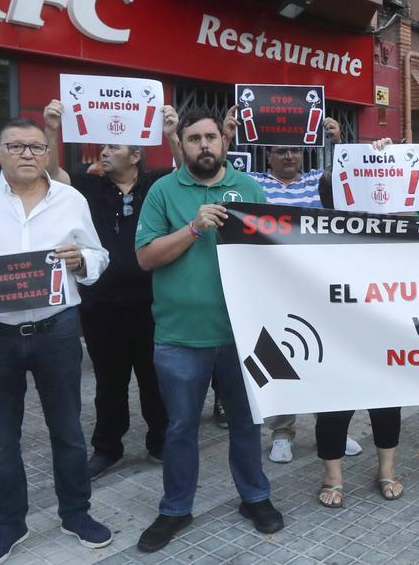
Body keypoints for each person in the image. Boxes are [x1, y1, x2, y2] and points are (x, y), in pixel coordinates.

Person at [0, 118, 113, 564]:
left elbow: (99, 255)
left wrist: (81, 260)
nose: (27, 154)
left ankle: (76, 513)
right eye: (16, 146)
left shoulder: (71, 199)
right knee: (0, 437)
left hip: (58, 329)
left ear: (48, 154)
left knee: (68, 431)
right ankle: (9, 523)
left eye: (35, 147)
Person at [134, 110, 282, 552]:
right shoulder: (162, 190)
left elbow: (275, 249)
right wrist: (194, 228)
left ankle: (254, 497)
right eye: (194, 137)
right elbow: (146, 257)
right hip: (180, 337)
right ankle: (176, 508)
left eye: (211, 137)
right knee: (180, 428)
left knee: (246, 423)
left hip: (241, 335)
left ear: (224, 141)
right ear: (182, 143)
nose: (204, 145)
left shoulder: (250, 188)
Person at [42, 100, 183, 480]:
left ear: (136, 155)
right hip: (101, 304)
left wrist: (172, 134)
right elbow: (51, 176)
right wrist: (52, 130)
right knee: (109, 382)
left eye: (114, 147)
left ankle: (159, 442)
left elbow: (186, 175)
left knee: (155, 379)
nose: (104, 151)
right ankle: (108, 448)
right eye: (103, 146)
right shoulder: (88, 185)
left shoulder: (156, 184)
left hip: (153, 303)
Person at [215, 107, 361, 463]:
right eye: (281, 151)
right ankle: (282, 431)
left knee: (326, 360)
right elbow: (222, 178)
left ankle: (334, 431)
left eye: (295, 150)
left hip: (317, 287)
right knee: (280, 359)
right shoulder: (253, 184)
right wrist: (227, 137)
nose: (289, 156)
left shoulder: (317, 181)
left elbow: (347, 182)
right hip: (271, 289)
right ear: (269, 155)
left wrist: (337, 142)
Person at [311, 143, 405, 507]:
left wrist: (384, 156)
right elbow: (326, 181)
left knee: (387, 403)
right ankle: (333, 476)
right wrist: (358, 154)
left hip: (383, 329)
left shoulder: (396, 223)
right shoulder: (326, 226)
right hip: (339, 330)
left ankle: (387, 470)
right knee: (333, 405)